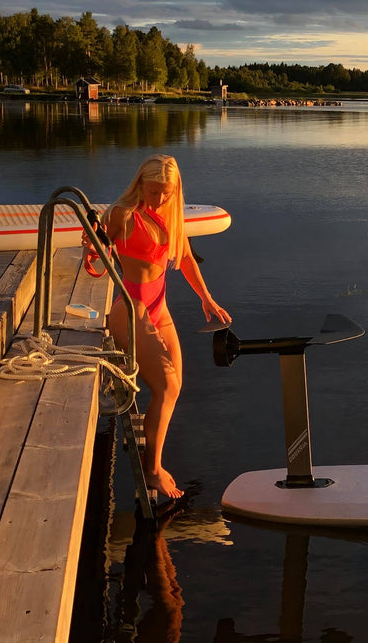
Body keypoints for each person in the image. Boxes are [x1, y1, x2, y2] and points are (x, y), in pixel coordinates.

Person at [98, 154, 230, 500]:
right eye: (154, 191)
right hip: (130, 308)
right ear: (140, 182)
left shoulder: (170, 216)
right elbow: (96, 261)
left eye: (166, 193)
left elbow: (184, 258)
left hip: (160, 308)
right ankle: (152, 470)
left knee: (174, 387)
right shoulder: (122, 214)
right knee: (167, 384)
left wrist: (207, 298)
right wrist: (92, 250)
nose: (159, 199)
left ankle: (152, 462)